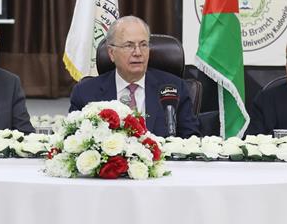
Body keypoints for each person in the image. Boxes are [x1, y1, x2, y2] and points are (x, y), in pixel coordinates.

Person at [68, 15, 200, 137]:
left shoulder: (175, 88)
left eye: (143, 45)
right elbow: (72, 140)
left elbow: (191, 140)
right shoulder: (86, 93)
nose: (138, 52)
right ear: (111, 53)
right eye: (129, 45)